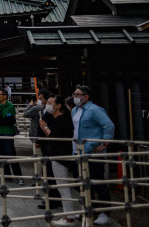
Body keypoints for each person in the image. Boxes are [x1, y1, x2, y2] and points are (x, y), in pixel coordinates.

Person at [72, 85, 115, 226]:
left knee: (97, 181)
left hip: (93, 151)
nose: (75, 96)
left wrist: (105, 143)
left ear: (86, 96)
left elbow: (108, 125)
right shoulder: (74, 110)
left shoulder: (95, 110)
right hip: (78, 150)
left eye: (77, 94)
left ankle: (105, 211)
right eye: (74, 94)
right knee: (82, 182)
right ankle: (87, 208)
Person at [39, 95, 77, 227]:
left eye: (50, 103)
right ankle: (68, 215)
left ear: (58, 105)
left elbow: (55, 137)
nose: (47, 105)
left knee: (63, 186)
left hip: (60, 155)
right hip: (56, 154)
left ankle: (69, 218)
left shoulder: (62, 119)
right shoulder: (55, 117)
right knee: (62, 187)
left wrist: (45, 128)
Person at [0, 88, 24, 185]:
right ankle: (6, 176)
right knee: (1, 155)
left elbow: (10, 120)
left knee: (11, 154)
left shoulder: (10, 106)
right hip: (0, 133)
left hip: (8, 133)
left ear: (5, 96)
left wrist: (1, 120)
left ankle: (19, 177)